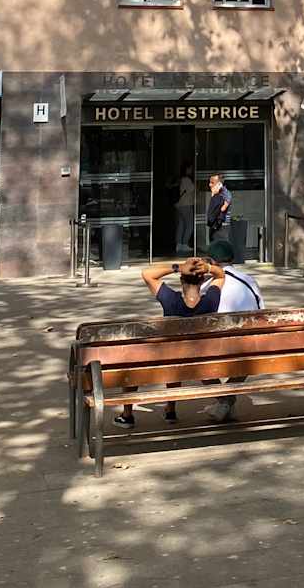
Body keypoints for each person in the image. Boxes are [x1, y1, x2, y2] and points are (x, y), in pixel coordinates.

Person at [113, 258, 220, 429]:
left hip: (168, 360)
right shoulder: (211, 301)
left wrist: (178, 267)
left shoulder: (171, 300)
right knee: (178, 357)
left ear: (181, 279)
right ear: (202, 281)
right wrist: (207, 267)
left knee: (136, 360)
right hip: (199, 361)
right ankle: (170, 410)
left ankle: (127, 415)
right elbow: (221, 276)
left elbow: (147, 274)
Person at [197, 237, 263, 423]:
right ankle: (226, 400)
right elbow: (261, 312)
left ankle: (224, 399)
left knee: (193, 357)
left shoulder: (206, 286)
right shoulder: (249, 281)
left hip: (216, 348)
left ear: (211, 262)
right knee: (251, 344)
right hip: (250, 347)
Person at [174, 162, 196, 255]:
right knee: (190, 224)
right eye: (190, 168)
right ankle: (185, 244)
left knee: (181, 225)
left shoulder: (180, 179)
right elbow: (192, 189)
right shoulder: (187, 179)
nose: (191, 170)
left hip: (179, 204)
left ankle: (179, 244)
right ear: (186, 169)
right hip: (186, 205)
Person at [206, 173, 233, 243]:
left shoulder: (224, 194)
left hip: (220, 227)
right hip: (215, 226)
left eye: (212, 182)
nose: (210, 185)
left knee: (220, 245)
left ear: (219, 184)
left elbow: (220, 210)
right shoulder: (217, 193)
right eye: (210, 182)